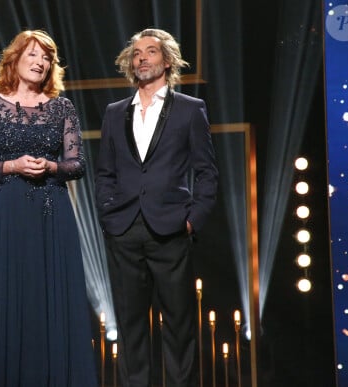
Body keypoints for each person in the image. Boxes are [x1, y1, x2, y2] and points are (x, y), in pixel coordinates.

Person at [0, 30, 97, 386]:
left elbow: (77, 164)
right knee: (6, 299)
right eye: (33, 55)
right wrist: (11, 166)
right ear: (15, 59)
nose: (40, 62)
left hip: (51, 210)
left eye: (47, 57)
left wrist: (51, 167)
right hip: (3, 212)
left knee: (49, 299)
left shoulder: (62, 107)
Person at [95, 28, 218, 387]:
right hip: (124, 230)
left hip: (172, 230)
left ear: (166, 61)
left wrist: (192, 221)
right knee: (130, 326)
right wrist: (108, 214)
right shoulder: (115, 112)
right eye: (136, 54)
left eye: (150, 52)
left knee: (179, 327)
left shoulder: (190, 109)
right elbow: (105, 171)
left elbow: (206, 173)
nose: (142, 58)